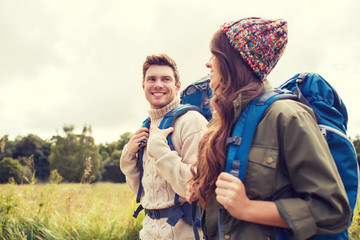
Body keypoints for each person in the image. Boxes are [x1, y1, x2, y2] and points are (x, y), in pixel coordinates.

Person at [186, 17, 351, 240]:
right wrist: (200, 189)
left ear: (235, 62)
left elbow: (332, 211)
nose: (208, 63)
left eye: (215, 54)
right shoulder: (221, 120)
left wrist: (247, 208)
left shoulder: (288, 116)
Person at [120, 54, 207, 240]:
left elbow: (194, 189)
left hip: (185, 234)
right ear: (143, 85)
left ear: (177, 86)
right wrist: (128, 155)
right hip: (149, 232)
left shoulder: (192, 122)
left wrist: (159, 151)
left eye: (165, 79)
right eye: (152, 79)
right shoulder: (146, 126)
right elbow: (143, 193)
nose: (158, 84)